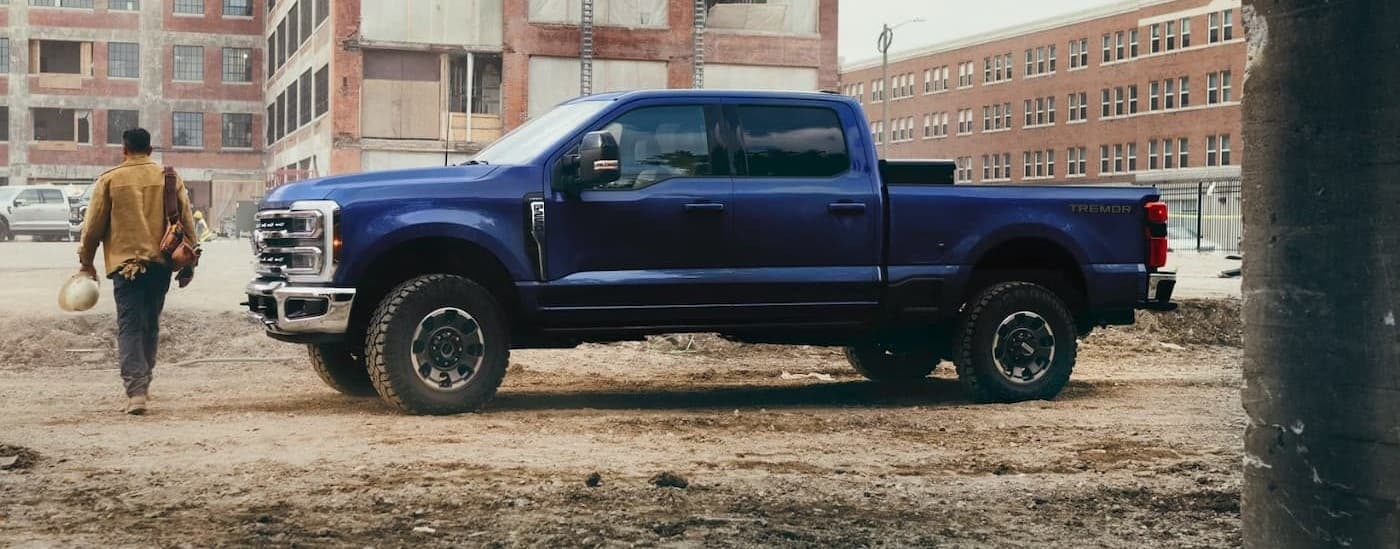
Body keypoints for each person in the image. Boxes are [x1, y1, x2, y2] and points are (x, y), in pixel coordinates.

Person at [77, 128, 198, 416]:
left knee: (129, 327)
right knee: (150, 325)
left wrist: (86, 261)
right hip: (160, 266)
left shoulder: (110, 180)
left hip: (125, 268)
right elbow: (187, 223)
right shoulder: (169, 177)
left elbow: (92, 227)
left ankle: (136, 392)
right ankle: (144, 384)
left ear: (124, 149)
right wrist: (190, 264)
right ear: (151, 150)